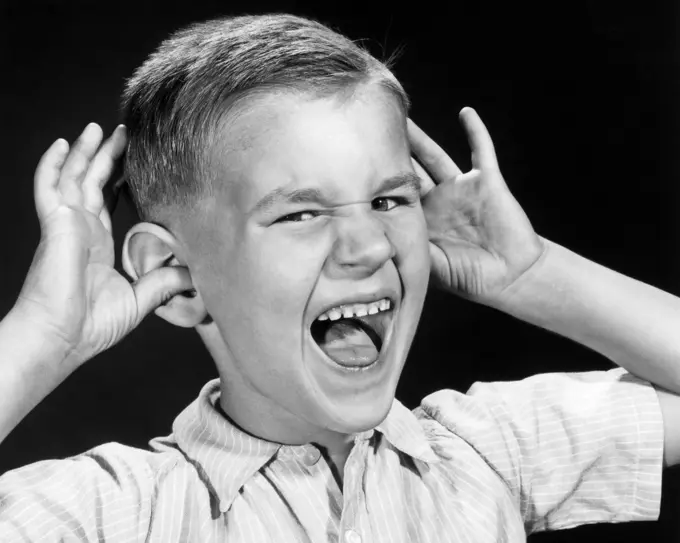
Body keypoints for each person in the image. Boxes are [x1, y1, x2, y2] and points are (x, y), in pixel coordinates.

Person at [1, 12, 680, 542]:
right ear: (174, 274)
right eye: (301, 212)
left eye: (389, 200)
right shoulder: (116, 511)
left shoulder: (485, 451)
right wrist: (44, 337)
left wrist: (530, 273)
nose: (368, 245)